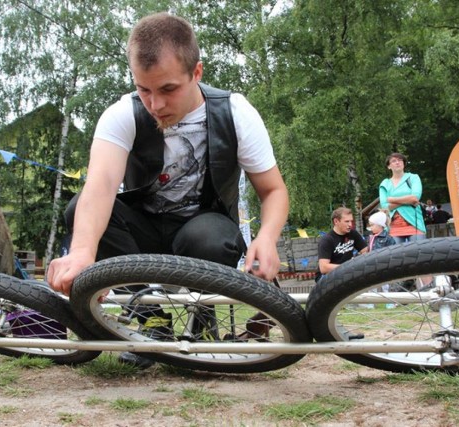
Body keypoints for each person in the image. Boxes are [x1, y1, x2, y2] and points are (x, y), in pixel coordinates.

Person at [47, 13, 289, 368]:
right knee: (77, 208)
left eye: (168, 89)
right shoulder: (121, 114)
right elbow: (99, 186)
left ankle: (202, 325)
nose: (155, 105)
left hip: (201, 228)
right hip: (141, 231)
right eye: (144, 89)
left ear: (197, 73)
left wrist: (267, 238)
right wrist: (83, 252)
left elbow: (273, 190)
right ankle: (152, 325)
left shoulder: (236, 112)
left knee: (210, 238)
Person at [379, 153, 426, 243]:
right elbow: (384, 206)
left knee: (419, 254)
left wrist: (392, 199)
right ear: (389, 166)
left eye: (400, 160)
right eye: (394, 161)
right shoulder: (385, 183)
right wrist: (408, 200)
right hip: (393, 227)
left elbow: (415, 198)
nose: (397, 162)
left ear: (404, 164)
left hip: (415, 223)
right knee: (395, 256)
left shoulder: (413, 177)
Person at [315, 207, 368, 283]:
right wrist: (349, 267)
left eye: (351, 221)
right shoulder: (327, 240)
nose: (350, 224)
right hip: (327, 278)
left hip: (346, 273)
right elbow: (324, 268)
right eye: (346, 221)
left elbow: (366, 251)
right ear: (336, 221)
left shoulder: (353, 234)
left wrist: (359, 261)